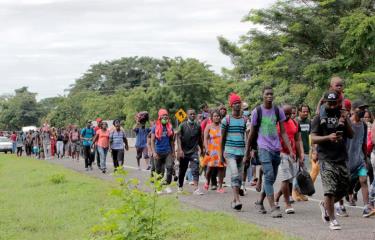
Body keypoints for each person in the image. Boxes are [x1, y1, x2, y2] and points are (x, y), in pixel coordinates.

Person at [245, 86, 293, 218]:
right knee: (270, 175)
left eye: (271, 94)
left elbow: (283, 132)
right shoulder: (257, 111)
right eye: (267, 94)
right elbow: (252, 134)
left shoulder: (278, 110)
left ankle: (260, 202)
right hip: (263, 147)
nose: (270, 96)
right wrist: (247, 153)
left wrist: (290, 149)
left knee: (270, 179)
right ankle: (273, 207)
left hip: (276, 149)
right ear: (263, 95)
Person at [311, 91, 353, 230]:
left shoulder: (341, 115)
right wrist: (328, 137)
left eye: (335, 103)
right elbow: (313, 138)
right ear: (324, 102)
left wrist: (346, 119)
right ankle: (333, 219)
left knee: (346, 187)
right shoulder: (318, 118)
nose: (332, 105)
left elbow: (351, 134)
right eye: (329, 103)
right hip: (326, 158)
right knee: (329, 190)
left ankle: (325, 205)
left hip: (341, 156)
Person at [342, 100, 374, 218]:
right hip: (346, 160)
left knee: (364, 180)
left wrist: (365, 158)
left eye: (365, 109)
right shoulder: (347, 123)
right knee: (344, 184)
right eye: (361, 108)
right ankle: (338, 205)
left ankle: (366, 207)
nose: (363, 111)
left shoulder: (364, 125)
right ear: (353, 109)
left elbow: (363, 143)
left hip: (359, 159)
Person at [274, 105, 304, 214]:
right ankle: (288, 204)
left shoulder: (295, 123)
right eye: (285, 113)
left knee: (290, 179)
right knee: (285, 179)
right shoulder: (275, 123)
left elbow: (298, 139)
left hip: (293, 155)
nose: (287, 116)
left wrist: (301, 154)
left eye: (289, 114)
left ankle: (277, 197)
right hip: (281, 154)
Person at [221, 93, 247, 211]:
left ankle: (235, 198)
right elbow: (222, 138)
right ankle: (237, 200)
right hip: (229, 151)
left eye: (239, 103)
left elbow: (247, 137)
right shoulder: (226, 120)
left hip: (241, 152)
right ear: (231, 105)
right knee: (235, 174)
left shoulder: (245, 120)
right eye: (235, 103)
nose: (237, 105)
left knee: (240, 178)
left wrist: (249, 152)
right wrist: (221, 153)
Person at [176, 109, 204, 195]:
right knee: (182, 170)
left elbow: (200, 139)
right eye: (191, 114)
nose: (192, 115)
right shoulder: (182, 125)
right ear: (187, 115)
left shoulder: (198, 126)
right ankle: (180, 186)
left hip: (194, 151)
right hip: (184, 151)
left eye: (194, 114)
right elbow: (178, 137)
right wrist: (180, 150)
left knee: (195, 169)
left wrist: (202, 149)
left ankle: (196, 188)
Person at [150, 109, 175, 194]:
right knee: (158, 171)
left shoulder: (170, 127)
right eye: (163, 115)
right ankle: (158, 187)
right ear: (160, 117)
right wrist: (153, 152)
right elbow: (152, 140)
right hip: (158, 152)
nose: (165, 117)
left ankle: (167, 185)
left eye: (166, 115)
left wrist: (173, 152)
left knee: (170, 167)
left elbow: (172, 140)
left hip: (168, 152)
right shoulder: (155, 127)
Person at [292, 104, 311, 201]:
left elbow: (310, 136)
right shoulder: (295, 122)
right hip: (297, 151)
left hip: (306, 150)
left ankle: (301, 192)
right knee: (296, 173)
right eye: (303, 111)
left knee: (304, 173)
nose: (305, 113)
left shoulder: (309, 122)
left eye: (307, 111)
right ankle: (294, 193)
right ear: (299, 112)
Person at [203, 109, 225, 193]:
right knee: (209, 168)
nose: (217, 117)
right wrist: (206, 148)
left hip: (220, 149)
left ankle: (220, 186)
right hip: (211, 149)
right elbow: (205, 138)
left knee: (221, 168)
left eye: (218, 116)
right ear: (212, 117)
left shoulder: (222, 126)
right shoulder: (208, 126)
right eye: (215, 116)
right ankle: (207, 181)